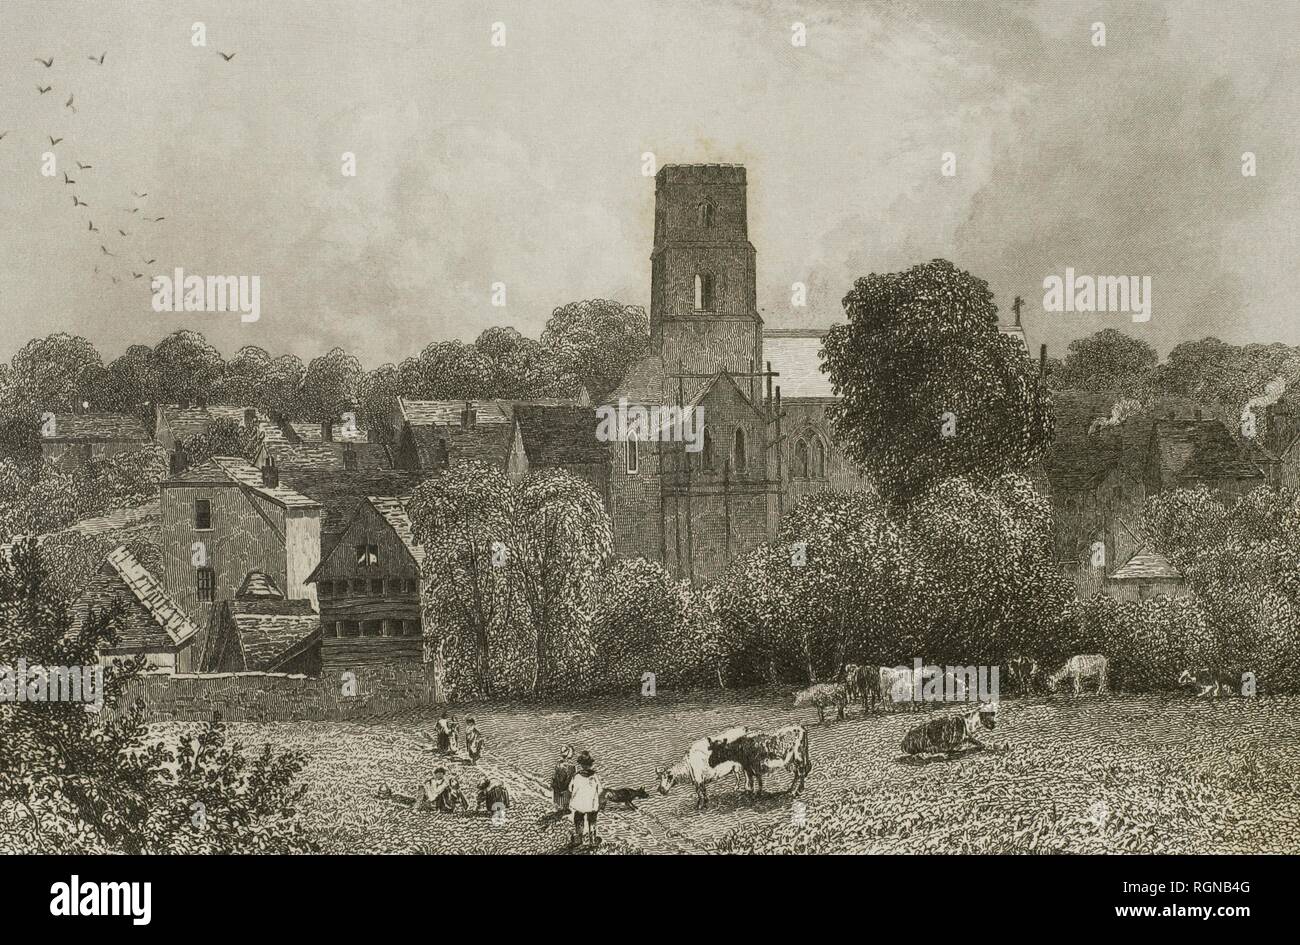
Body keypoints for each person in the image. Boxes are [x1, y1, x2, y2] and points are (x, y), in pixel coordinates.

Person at [568, 751, 603, 848]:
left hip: (579, 804)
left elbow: (570, 788)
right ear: (591, 765)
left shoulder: (576, 775)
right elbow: (600, 789)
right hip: (591, 804)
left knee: (578, 820)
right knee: (592, 821)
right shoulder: (594, 776)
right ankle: (592, 840)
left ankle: (578, 839)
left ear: (581, 764)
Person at [551, 744, 577, 812]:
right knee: (566, 793)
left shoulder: (558, 764)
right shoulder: (571, 766)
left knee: (558, 795)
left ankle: (558, 807)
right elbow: (571, 778)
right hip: (565, 787)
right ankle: (564, 808)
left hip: (558, 786)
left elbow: (555, 776)